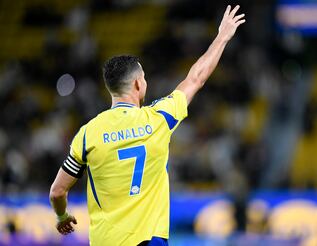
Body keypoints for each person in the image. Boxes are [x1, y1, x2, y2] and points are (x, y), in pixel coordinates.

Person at [49, 5, 245, 246]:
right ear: (137, 85)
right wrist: (221, 37)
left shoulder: (88, 133)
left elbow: (57, 192)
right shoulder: (158, 119)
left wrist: (62, 216)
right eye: (143, 77)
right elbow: (196, 77)